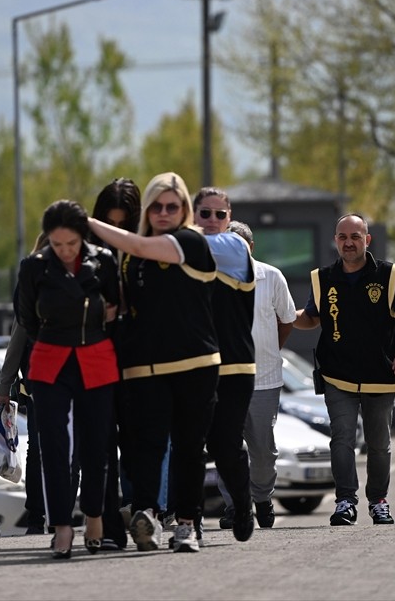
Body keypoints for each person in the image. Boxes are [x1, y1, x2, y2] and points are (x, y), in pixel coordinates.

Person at [86, 172, 219, 554]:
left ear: (184, 210)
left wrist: (86, 222)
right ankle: (147, 516)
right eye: (156, 206)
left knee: (190, 448)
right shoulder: (132, 260)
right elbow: (129, 303)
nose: (163, 212)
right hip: (145, 367)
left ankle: (188, 525)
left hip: (194, 363)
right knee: (146, 446)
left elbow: (142, 246)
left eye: (171, 206)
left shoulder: (190, 241)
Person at [291, 213, 395, 527]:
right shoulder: (323, 278)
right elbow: (311, 317)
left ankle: (379, 501)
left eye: (355, 237)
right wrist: (286, 314)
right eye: (343, 237)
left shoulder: (389, 275)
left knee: (378, 444)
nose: (348, 243)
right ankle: (345, 500)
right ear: (335, 241)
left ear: (367, 240)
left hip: (381, 375)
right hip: (338, 374)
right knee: (342, 438)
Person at [16, 199, 121, 558]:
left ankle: (94, 516)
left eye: (71, 244)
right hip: (49, 360)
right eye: (56, 244)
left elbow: (116, 307)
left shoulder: (104, 261)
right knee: (54, 448)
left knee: (96, 446)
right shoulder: (34, 267)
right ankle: (61, 526)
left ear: (83, 237)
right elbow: (26, 316)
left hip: (96, 357)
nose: (64, 251)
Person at [217, 220, 297, 529]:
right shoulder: (214, 277)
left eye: (239, 245)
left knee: (263, 449)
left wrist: (272, 348)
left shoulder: (271, 277)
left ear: (251, 247)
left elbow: (287, 319)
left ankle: (262, 498)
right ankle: (236, 506)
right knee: (227, 446)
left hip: (264, 379)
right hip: (226, 378)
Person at [190, 187, 257, 543]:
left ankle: (243, 507)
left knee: (225, 445)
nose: (213, 221)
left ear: (230, 219)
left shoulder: (234, 248)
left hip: (234, 366)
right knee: (192, 443)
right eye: (205, 213)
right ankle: (193, 519)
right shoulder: (181, 251)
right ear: (194, 214)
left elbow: (187, 246)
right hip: (195, 364)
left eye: (221, 214)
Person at [89, 177, 141, 551]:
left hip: (139, 357)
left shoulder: (148, 253)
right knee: (101, 445)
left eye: (125, 225)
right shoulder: (87, 255)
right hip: (98, 354)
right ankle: (109, 525)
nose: (117, 232)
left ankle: (143, 516)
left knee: (141, 444)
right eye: (111, 224)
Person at [0, 231, 51, 535]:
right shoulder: (31, 287)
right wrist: (4, 388)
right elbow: (18, 339)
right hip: (38, 382)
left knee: (57, 451)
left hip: (68, 379)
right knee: (40, 450)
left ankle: (50, 515)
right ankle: (37, 516)